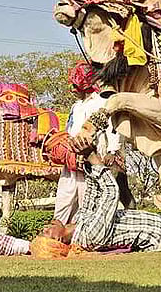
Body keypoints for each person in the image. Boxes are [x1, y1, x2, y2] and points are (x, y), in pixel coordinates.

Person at [53, 61, 125, 225]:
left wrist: (112, 151)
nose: (71, 89)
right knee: (64, 196)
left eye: (74, 84)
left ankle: (86, 234)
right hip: (72, 159)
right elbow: (69, 129)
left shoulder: (101, 103)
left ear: (83, 84)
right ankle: (58, 233)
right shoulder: (75, 106)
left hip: (92, 158)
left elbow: (113, 129)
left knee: (87, 197)